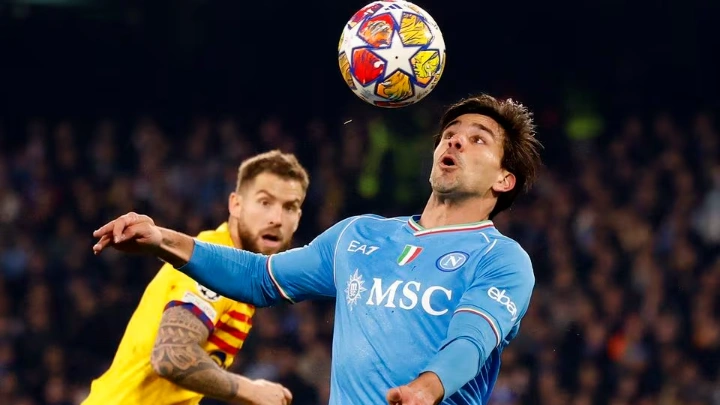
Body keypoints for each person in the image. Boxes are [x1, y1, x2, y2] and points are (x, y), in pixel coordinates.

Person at [92, 93, 543, 405]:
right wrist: (160, 240)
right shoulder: (359, 236)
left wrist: (427, 388)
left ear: (504, 180)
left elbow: (471, 341)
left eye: (478, 138)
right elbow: (258, 277)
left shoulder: (501, 259)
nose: (454, 139)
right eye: (450, 133)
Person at [83, 150, 309, 405]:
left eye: (289, 207)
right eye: (265, 202)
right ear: (236, 204)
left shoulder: (242, 278)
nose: (276, 219)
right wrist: (252, 391)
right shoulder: (215, 267)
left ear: (298, 219)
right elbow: (171, 356)